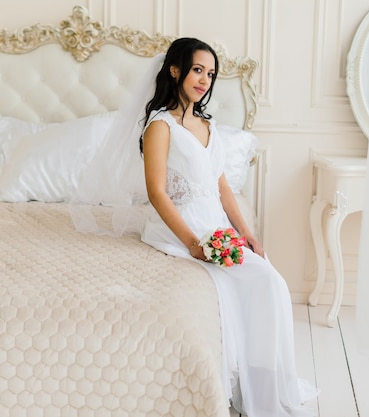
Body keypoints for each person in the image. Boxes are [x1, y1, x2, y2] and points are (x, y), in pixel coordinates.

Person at [138, 37, 318, 417]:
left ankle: (263, 382)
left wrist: (247, 233)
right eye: (197, 70)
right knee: (242, 282)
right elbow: (156, 193)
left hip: (215, 224)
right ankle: (241, 386)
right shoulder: (161, 126)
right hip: (181, 227)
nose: (204, 80)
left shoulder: (208, 124)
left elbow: (221, 186)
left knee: (270, 280)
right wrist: (191, 243)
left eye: (210, 74)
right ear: (176, 70)